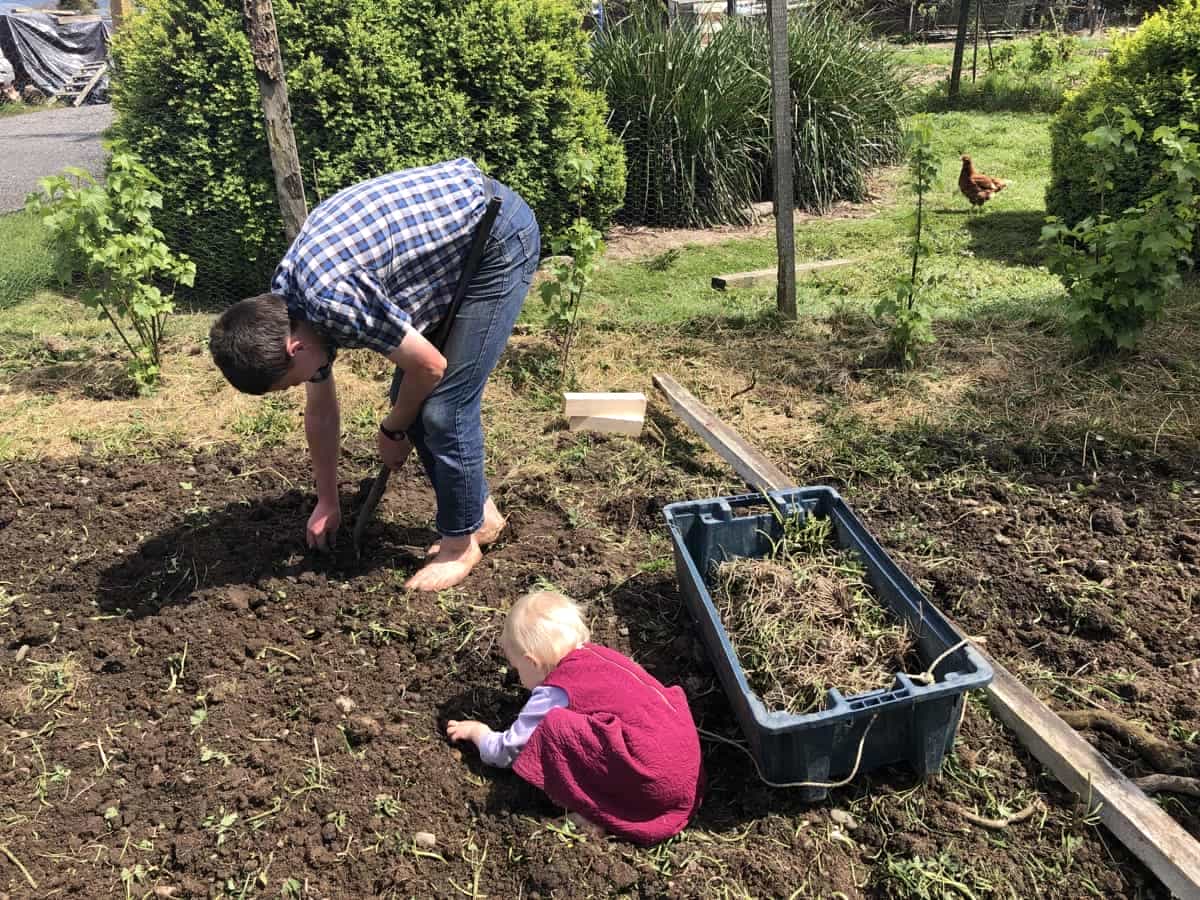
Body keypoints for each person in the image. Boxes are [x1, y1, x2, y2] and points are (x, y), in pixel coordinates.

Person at [209, 159, 539, 591]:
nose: (303, 384)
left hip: (494, 234)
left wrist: (392, 428)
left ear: (295, 349)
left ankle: (460, 547)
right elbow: (321, 411)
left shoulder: (333, 301)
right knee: (413, 399)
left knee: (442, 409)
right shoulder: (285, 309)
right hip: (447, 251)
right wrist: (327, 500)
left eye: (291, 381)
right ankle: (480, 516)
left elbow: (431, 367)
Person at [446, 591, 704, 845]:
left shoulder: (554, 693)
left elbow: (507, 751)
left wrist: (479, 734)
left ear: (532, 662)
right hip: (684, 770)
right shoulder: (600, 657)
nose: (517, 676)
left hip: (652, 785)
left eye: (517, 668)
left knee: (555, 727)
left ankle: (597, 812)